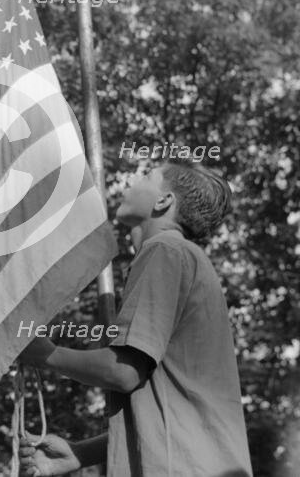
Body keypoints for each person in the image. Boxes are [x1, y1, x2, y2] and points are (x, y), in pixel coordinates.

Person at [19, 161, 253, 476]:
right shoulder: (181, 256)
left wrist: (44, 354)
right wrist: (79, 454)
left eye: (146, 175)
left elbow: (123, 372)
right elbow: (166, 414)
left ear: (164, 201)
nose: (132, 179)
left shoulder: (164, 251)